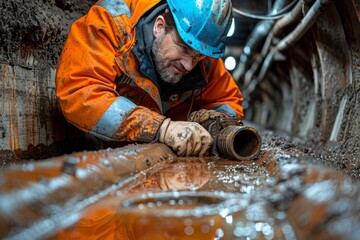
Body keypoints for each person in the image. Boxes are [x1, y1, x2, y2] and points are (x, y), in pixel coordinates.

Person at [55, 0, 244, 157]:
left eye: (197, 57)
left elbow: (228, 100)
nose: (188, 65)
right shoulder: (111, 25)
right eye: (184, 49)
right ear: (159, 26)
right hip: (97, 153)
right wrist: (160, 128)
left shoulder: (203, 56)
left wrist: (217, 121)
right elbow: (79, 92)